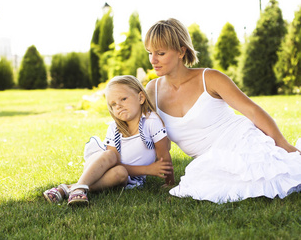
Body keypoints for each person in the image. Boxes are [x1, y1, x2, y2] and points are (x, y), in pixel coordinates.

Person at [144, 18, 301, 203]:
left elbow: (252, 111)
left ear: (181, 51)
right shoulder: (152, 91)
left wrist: (284, 145)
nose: (153, 60)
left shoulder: (210, 78)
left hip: (242, 141)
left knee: (276, 174)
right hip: (208, 160)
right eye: (150, 53)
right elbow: (154, 138)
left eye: (160, 53)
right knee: (203, 182)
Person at [43, 75, 174, 206]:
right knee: (110, 154)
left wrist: (170, 183)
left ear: (140, 97)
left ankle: (69, 189)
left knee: (120, 173)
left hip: (125, 176)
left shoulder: (151, 121)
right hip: (101, 165)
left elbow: (164, 156)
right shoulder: (114, 128)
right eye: (113, 104)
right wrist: (147, 170)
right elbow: (112, 161)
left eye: (123, 99)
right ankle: (78, 188)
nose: (119, 106)